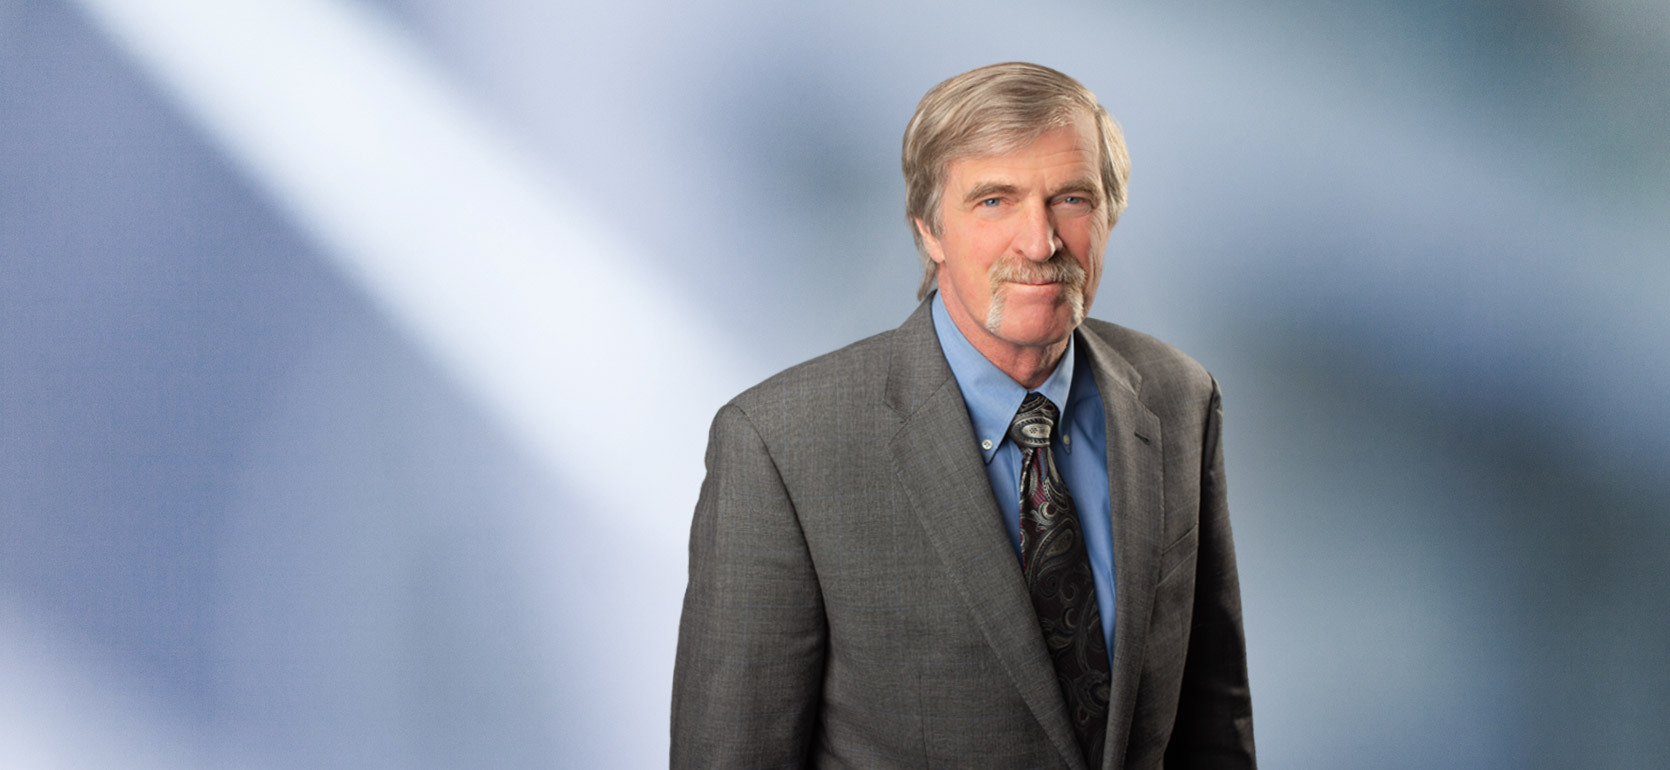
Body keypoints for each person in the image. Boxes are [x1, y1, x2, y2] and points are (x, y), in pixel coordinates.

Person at [671, 62, 1255, 769]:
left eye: (1071, 198)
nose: (1040, 243)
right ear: (929, 229)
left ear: (1109, 213)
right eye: (994, 201)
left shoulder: (1179, 399)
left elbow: (1213, 723)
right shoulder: (781, 448)